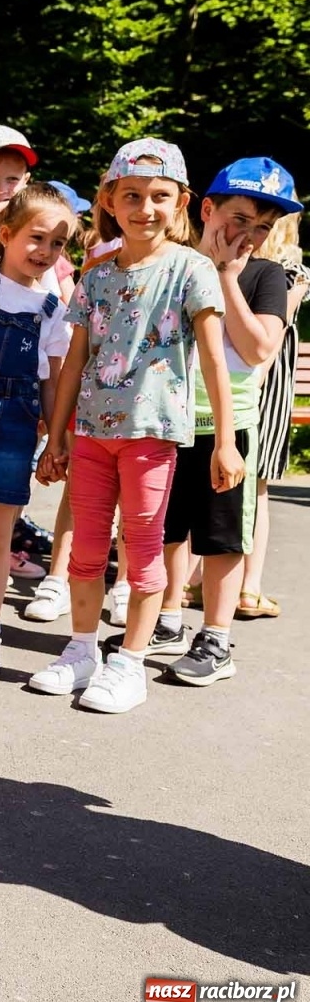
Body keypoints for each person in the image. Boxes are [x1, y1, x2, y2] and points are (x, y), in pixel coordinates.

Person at [32, 138, 242, 714]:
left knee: (143, 548)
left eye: (158, 196)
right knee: (86, 547)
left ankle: (129, 662)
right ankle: (81, 650)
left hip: (151, 434)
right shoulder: (96, 275)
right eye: (131, 195)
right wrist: (57, 435)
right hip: (91, 435)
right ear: (109, 200)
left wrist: (225, 442)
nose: (144, 208)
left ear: (180, 203)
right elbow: (76, 360)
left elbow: (215, 360)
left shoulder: (192, 269)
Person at [152, 159, 296, 684]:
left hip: (227, 427)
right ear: (207, 209)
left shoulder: (265, 275)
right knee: (167, 529)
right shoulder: (173, 262)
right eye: (239, 219)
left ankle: (216, 637)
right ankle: (167, 618)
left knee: (222, 536)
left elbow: (259, 348)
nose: (248, 235)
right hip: (167, 420)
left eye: (263, 227)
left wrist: (228, 277)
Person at [0, 184, 75, 677]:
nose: (45, 251)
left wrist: (56, 439)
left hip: (15, 422)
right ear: (5, 234)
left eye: (58, 243)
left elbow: (53, 380)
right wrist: (14, 205)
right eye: (35, 237)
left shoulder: (52, 307)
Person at [244, 213, 310, 617]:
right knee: (255, 485)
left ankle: (202, 580)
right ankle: (247, 587)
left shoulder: (258, 268)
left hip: (249, 376)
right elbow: (276, 330)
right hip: (261, 380)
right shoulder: (290, 272)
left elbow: (274, 329)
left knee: (240, 480)